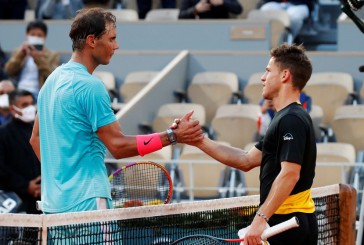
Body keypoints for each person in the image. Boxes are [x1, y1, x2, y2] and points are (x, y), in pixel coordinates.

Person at [29, 7, 203, 214]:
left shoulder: (51, 81)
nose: (117, 45)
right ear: (92, 41)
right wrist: (173, 136)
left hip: (53, 207)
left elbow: (35, 139)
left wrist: (64, 177)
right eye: (111, 39)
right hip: (88, 205)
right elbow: (118, 146)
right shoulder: (90, 86)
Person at [175, 43, 318, 244]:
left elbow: (290, 174)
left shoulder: (291, 119)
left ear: (285, 75)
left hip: (287, 223)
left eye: (268, 71)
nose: (262, 77)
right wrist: (198, 140)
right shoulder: (286, 118)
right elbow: (245, 159)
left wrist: (260, 219)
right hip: (285, 221)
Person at [0, 89, 41, 214]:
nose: (30, 108)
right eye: (24, 105)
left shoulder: (39, 131)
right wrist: (26, 186)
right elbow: (1, 170)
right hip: (16, 203)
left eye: (31, 103)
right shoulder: (3, 134)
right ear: (12, 109)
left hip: (41, 198)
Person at [4, 20, 60, 100]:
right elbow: (8, 71)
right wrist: (20, 55)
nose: (36, 38)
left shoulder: (53, 55)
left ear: (45, 37)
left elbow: (53, 76)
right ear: (27, 35)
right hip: (19, 91)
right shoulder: (19, 51)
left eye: (39, 35)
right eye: (33, 35)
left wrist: (38, 59)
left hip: (39, 94)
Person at [179, 0, 243, 19]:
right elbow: (180, 16)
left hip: (221, 30)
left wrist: (222, 2)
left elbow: (238, 9)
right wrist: (195, 9)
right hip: (197, 30)